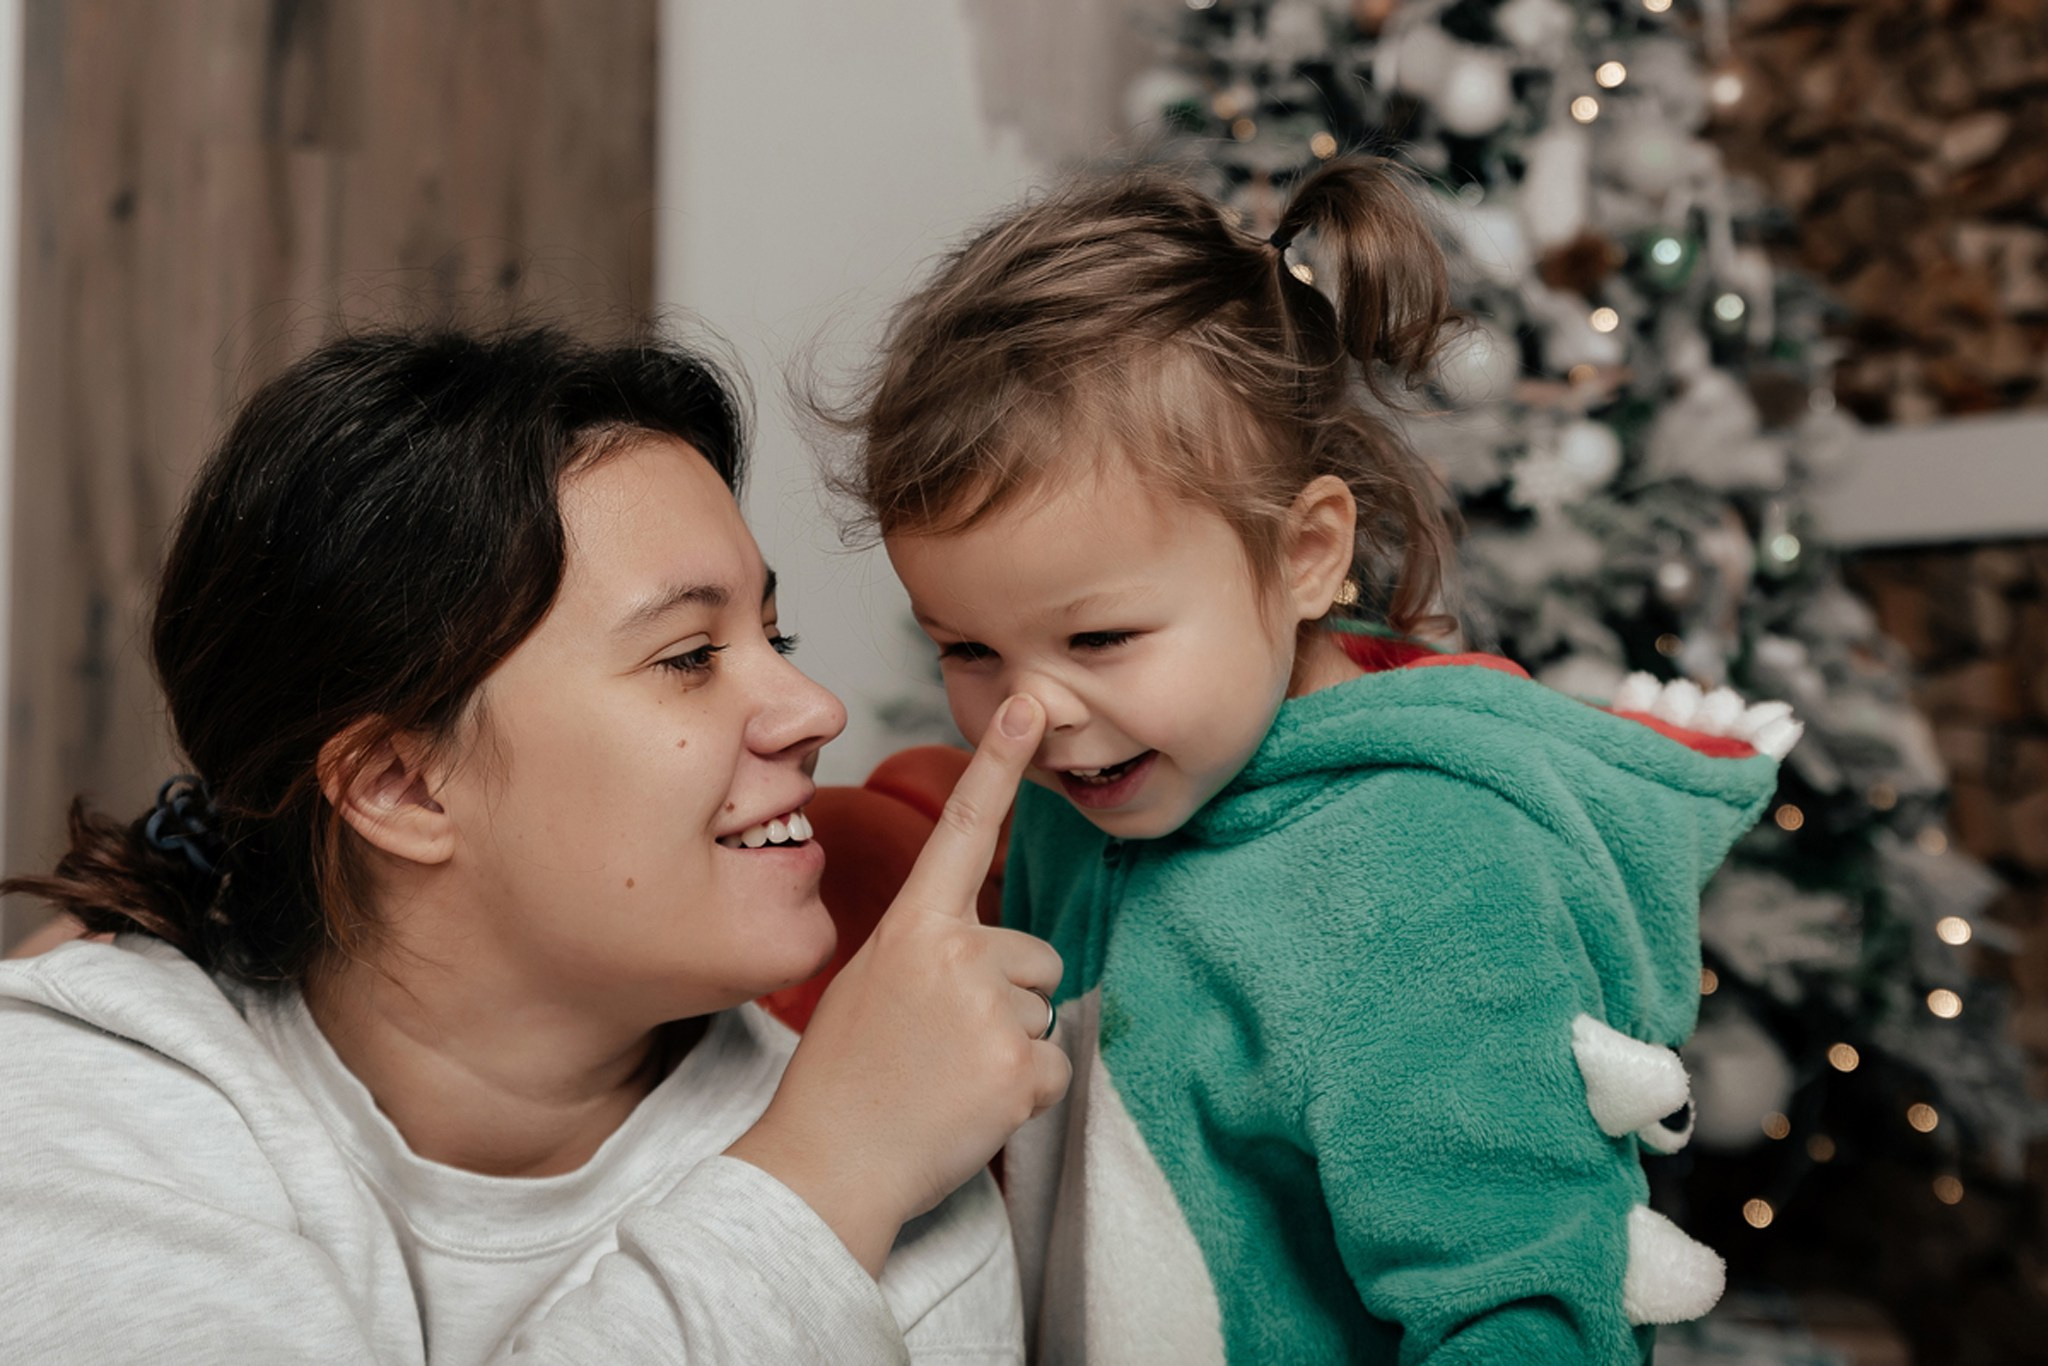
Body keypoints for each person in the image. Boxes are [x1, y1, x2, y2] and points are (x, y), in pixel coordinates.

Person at [833, 158, 1805, 1363]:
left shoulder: (1427, 872)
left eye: (1100, 638)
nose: (1029, 714)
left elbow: (1519, 1304)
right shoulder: (1079, 801)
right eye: (967, 648)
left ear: (1304, 553)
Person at [0, 328, 1071, 1363]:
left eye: (773, 635)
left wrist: (849, 1158)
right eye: (690, 655)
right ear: (400, 784)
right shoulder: (92, 1106)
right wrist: (817, 1183)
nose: (813, 708)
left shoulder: (901, 1153)